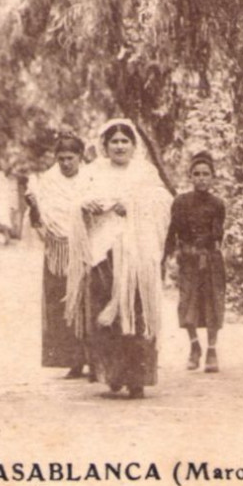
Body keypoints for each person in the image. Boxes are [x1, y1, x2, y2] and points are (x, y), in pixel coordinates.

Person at [67, 118, 173, 399]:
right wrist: (84, 207)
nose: (119, 146)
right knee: (106, 312)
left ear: (133, 144)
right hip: (102, 250)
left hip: (136, 251)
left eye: (125, 141)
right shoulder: (93, 172)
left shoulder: (145, 172)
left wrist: (135, 206)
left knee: (135, 312)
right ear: (105, 145)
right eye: (114, 141)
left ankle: (137, 379)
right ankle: (112, 374)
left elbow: (163, 202)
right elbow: (77, 203)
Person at [25, 132, 87, 378]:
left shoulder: (91, 178)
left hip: (84, 248)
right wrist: (34, 207)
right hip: (56, 248)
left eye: (71, 158)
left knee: (85, 303)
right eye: (61, 158)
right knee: (59, 303)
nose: (66, 163)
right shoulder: (48, 182)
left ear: (80, 157)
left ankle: (91, 357)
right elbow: (38, 222)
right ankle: (71, 359)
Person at [164, 151, 227, 373]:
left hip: (210, 260)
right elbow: (172, 232)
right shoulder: (180, 202)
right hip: (188, 261)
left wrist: (205, 247)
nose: (201, 178)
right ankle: (194, 347)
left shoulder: (218, 204)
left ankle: (211, 350)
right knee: (187, 304)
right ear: (190, 176)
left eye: (206, 174)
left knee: (212, 304)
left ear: (212, 177)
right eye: (197, 174)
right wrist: (167, 255)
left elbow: (217, 234)